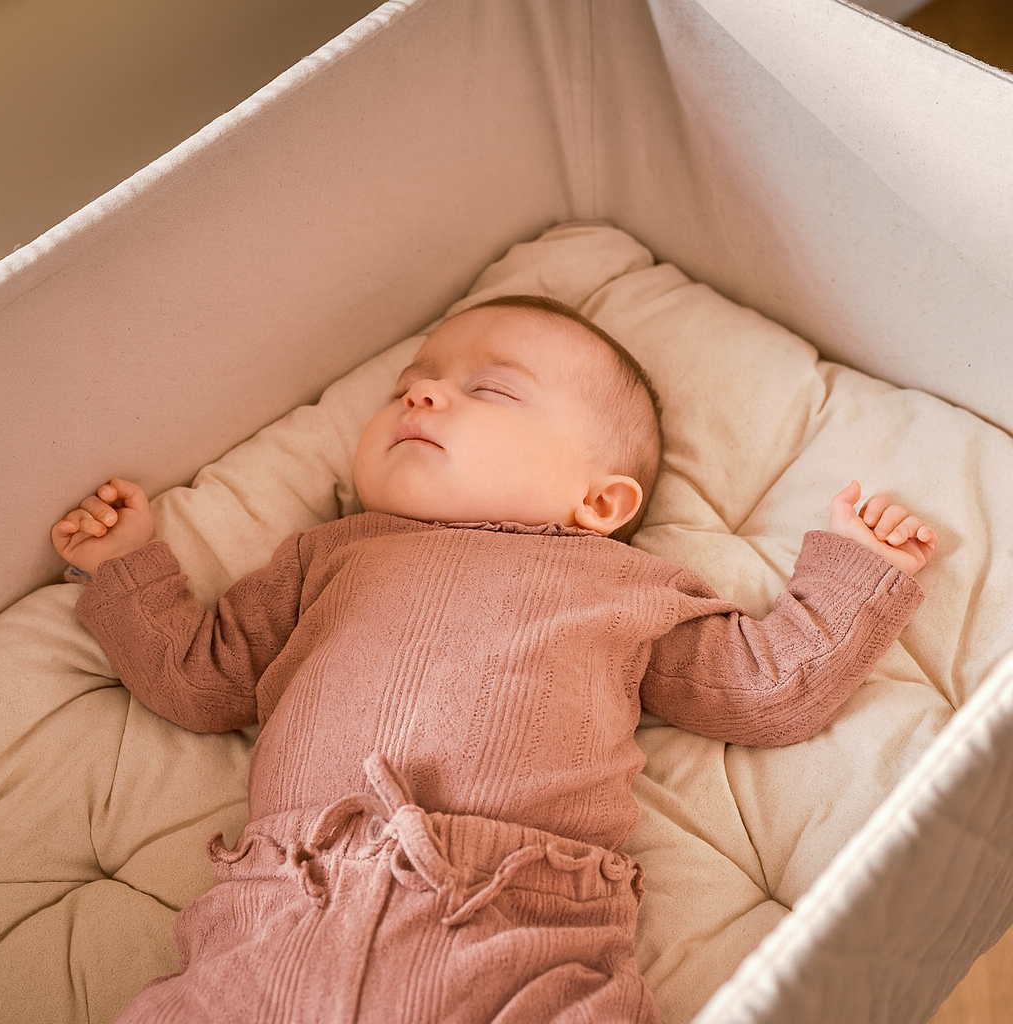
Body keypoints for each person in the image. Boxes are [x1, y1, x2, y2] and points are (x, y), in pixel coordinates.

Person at [52, 295, 935, 1023]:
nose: (422, 398)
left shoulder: (625, 585)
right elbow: (204, 680)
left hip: (514, 924)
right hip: (281, 912)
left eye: (491, 392)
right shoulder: (323, 557)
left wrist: (860, 573)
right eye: (411, 385)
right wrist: (127, 567)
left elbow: (762, 688)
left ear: (600, 500)